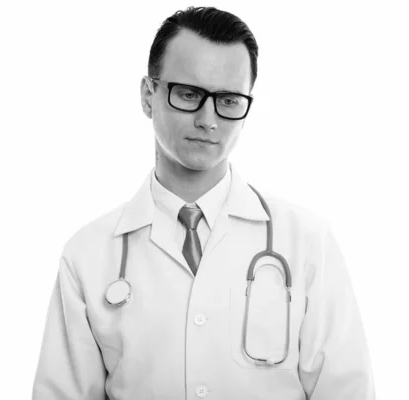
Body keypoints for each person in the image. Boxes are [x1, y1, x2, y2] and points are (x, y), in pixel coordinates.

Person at [32, 6, 375, 400]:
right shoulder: (88, 255)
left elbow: (347, 390)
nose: (208, 119)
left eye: (228, 100)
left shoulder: (306, 241)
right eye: (190, 95)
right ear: (148, 96)